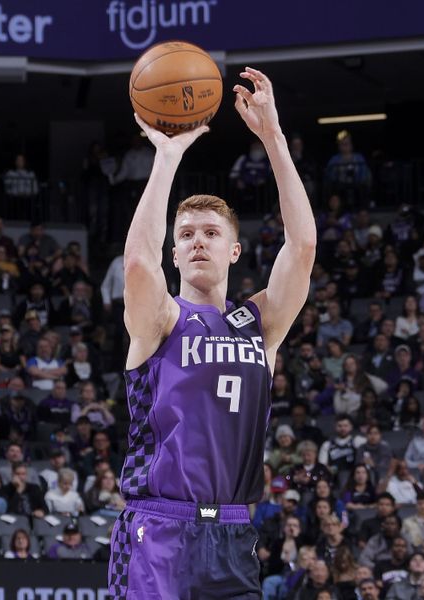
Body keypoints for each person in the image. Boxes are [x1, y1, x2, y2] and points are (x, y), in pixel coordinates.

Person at [108, 68, 317, 599]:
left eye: (210, 233)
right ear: (174, 252)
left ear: (234, 251)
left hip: (232, 529)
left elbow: (304, 247)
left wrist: (273, 139)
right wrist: (167, 156)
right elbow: (136, 262)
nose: (197, 241)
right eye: (186, 235)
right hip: (158, 528)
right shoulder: (162, 319)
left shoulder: (259, 324)